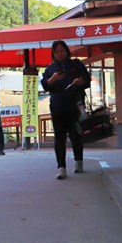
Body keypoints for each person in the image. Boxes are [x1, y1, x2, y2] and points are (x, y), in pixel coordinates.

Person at [41, 40, 92, 179]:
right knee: (59, 136)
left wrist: (81, 82)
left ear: (67, 51)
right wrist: (52, 79)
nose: (59, 54)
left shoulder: (76, 64)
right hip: (58, 105)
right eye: (56, 52)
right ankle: (61, 167)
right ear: (53, 53)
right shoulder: (50, 68)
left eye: (62, 51)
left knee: (76, 134)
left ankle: (78, 161)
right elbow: (45, 85)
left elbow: (87, 79)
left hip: (75, 104)